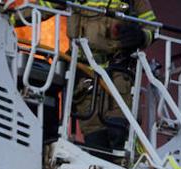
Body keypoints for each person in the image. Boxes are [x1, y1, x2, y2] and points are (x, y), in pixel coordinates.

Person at [10, 0, 157, 154]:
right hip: (84, 75)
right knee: (96, 141)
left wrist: (141, 36)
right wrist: (7, 16)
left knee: (120, 133)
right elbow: (43, 6)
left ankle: (129, 167)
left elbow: (152, 26)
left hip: (119, 72)